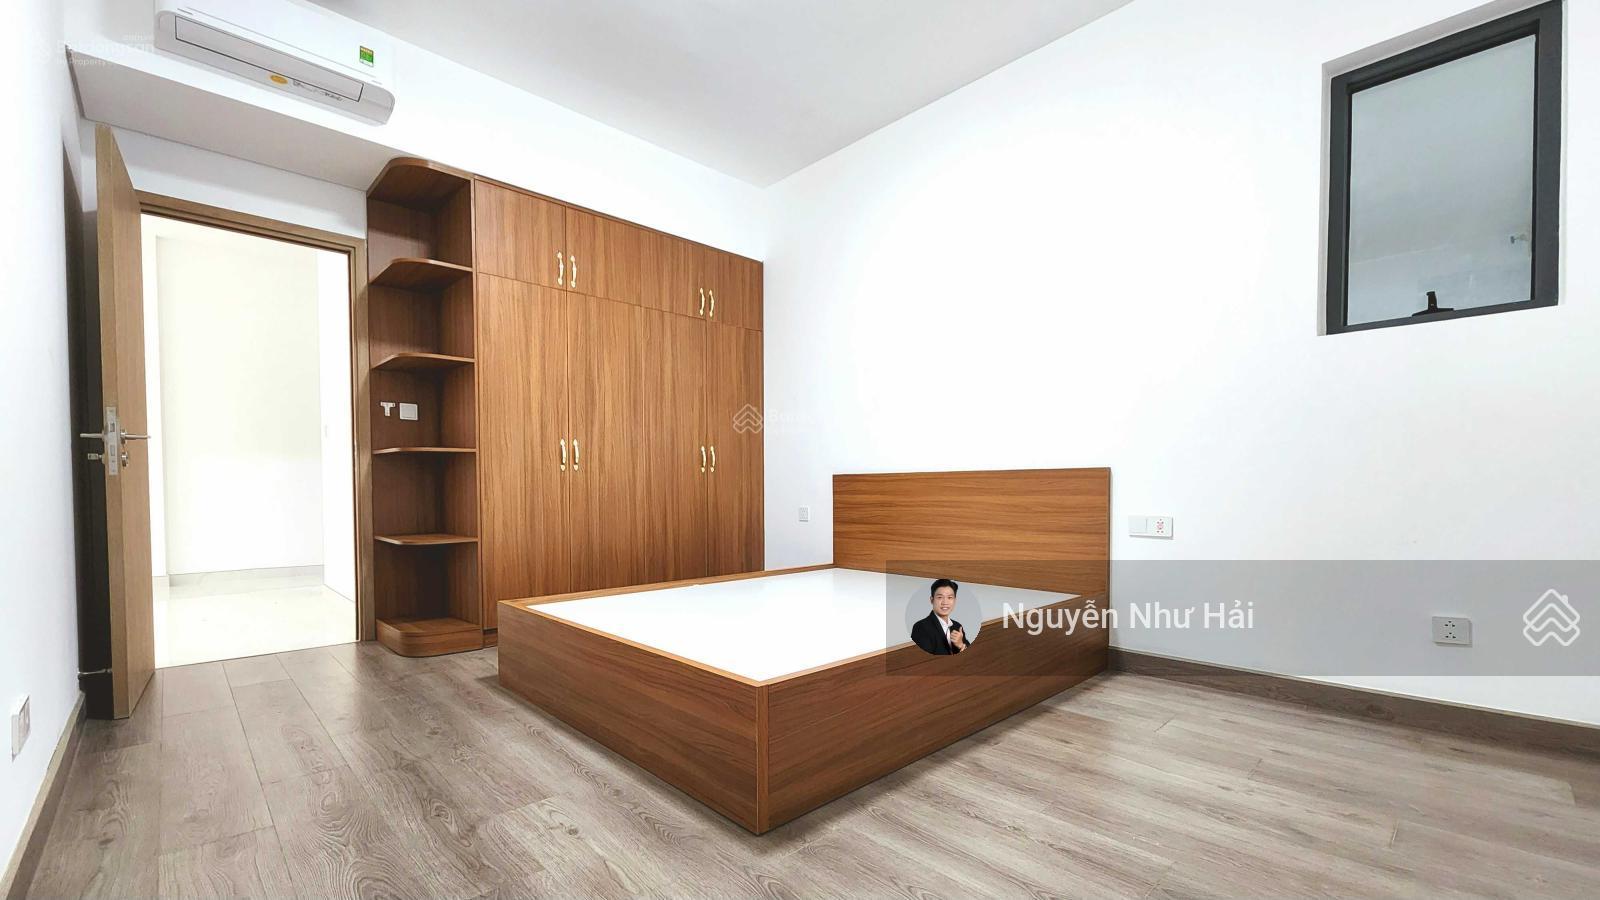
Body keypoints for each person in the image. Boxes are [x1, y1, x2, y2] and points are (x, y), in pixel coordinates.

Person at [911, 578, 970, 654]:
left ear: (955, 601)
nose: (945, 602)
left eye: (950, 597)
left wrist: (961, 645)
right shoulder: (921, 627)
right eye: (940, 597)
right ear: (932, 600)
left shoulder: (957, 626)